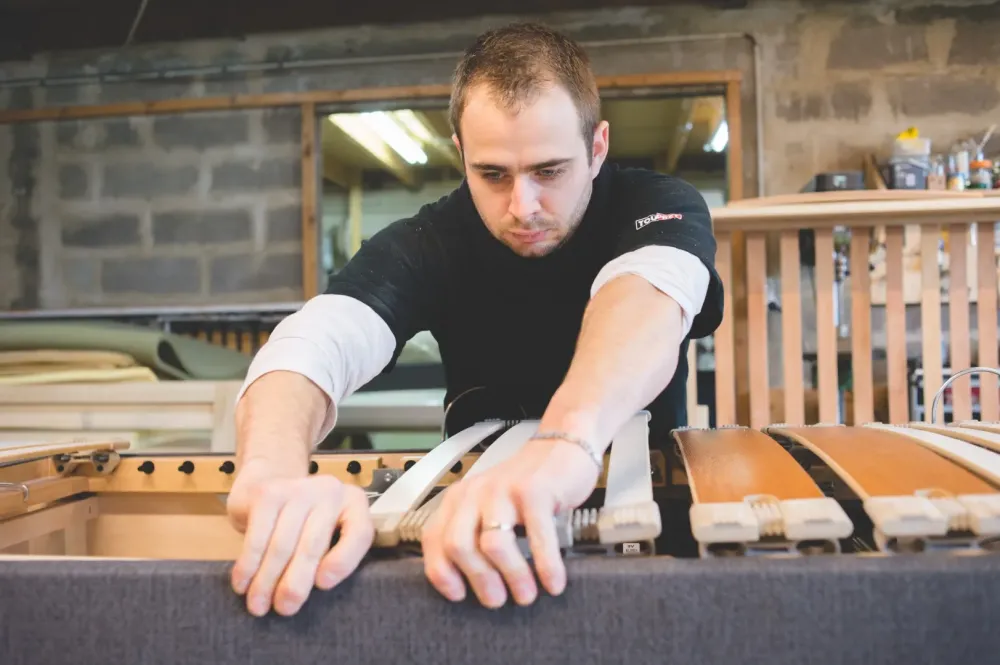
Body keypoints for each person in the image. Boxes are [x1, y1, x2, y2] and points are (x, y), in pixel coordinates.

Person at [225, 21, 724, 618]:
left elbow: (646, 296)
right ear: (461, 154)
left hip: (646, 516)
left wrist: (562, 443)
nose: (523, 207)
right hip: (473, 536)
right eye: (493, 175)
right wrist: (270, 470)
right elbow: (318, 340)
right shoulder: (430, 240)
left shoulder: (654, 204)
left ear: (597, 149)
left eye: (549, 171)